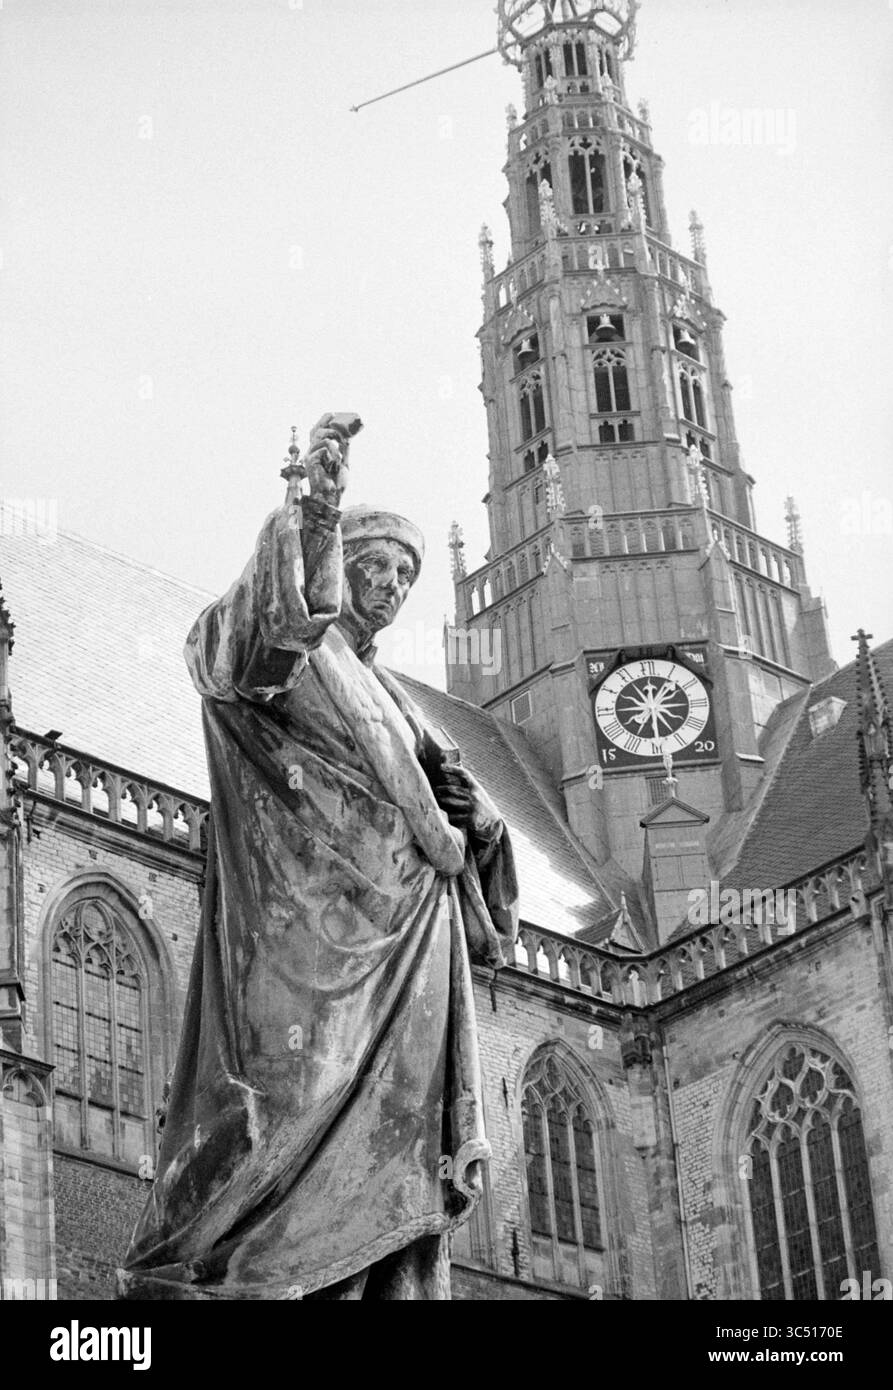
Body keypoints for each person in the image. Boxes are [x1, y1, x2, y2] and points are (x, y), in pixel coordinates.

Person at [118, 415, 518, 1300]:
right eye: (379, 563)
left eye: (409, 574)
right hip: (304, 936)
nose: (394, 585)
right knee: (290, 1100)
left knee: (398, 1142)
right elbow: (239, 651)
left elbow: (476, 867)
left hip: (408, 952)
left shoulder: (402, 705)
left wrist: (480, 827)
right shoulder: (295, 651)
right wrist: (315, 517)